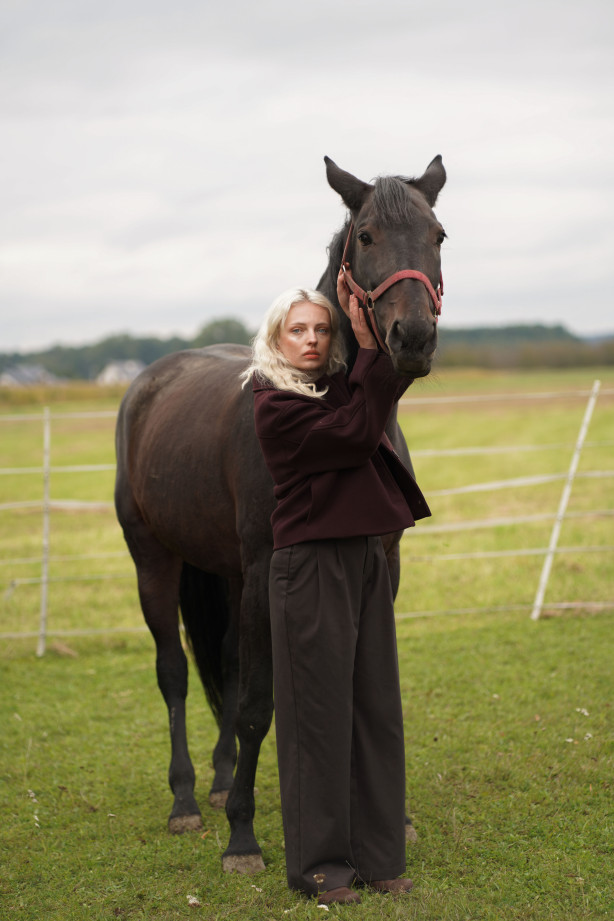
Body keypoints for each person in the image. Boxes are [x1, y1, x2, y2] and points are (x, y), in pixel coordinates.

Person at [241, 271, 430, 905]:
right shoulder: (274, 403)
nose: (312, 340)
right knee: (317, 720)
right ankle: (322, 869)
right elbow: (355, 434)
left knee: (376, 712)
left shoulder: (338, 389)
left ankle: (380, 859)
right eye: (298, 330)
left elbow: (378, 391)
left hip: (366, 557)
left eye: (323, 329)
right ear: (276, 338)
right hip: (311, 565)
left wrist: (379, 334)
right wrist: (369, 353)